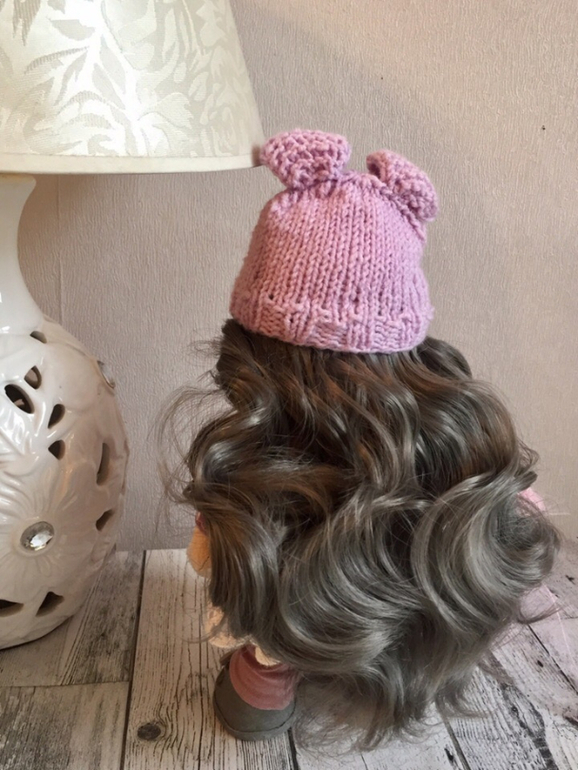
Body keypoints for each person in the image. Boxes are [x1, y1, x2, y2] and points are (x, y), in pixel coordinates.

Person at [170, 129, 560, 749]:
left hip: (294, 621)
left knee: (265, 648)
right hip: (416, 624)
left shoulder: (249, 467)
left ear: (252, 355)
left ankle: (269, 677)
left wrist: (229, 540)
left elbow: (206, 561)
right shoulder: (456, 443)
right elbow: (515, 531)